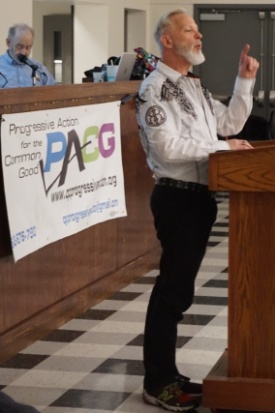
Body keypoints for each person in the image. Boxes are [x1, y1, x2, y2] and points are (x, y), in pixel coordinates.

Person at [136, 8, 259, 412]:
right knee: (171, 292)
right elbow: (167, 148)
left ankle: (169, 374)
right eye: (190, 29)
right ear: (168, 41)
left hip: (199, 198)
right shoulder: (155, 89)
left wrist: (244, 80)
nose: (199, 35)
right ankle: (157, 382)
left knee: (180, 291)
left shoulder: (194, 86)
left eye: (198, 29)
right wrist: (222, 149)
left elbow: (229, 124)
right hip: (176, 198)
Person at [0, 23, 55, 88]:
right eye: (19, 46)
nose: (24, 52)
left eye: (28, 47)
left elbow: (55, 93)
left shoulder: (38, 67)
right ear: (8, 42)